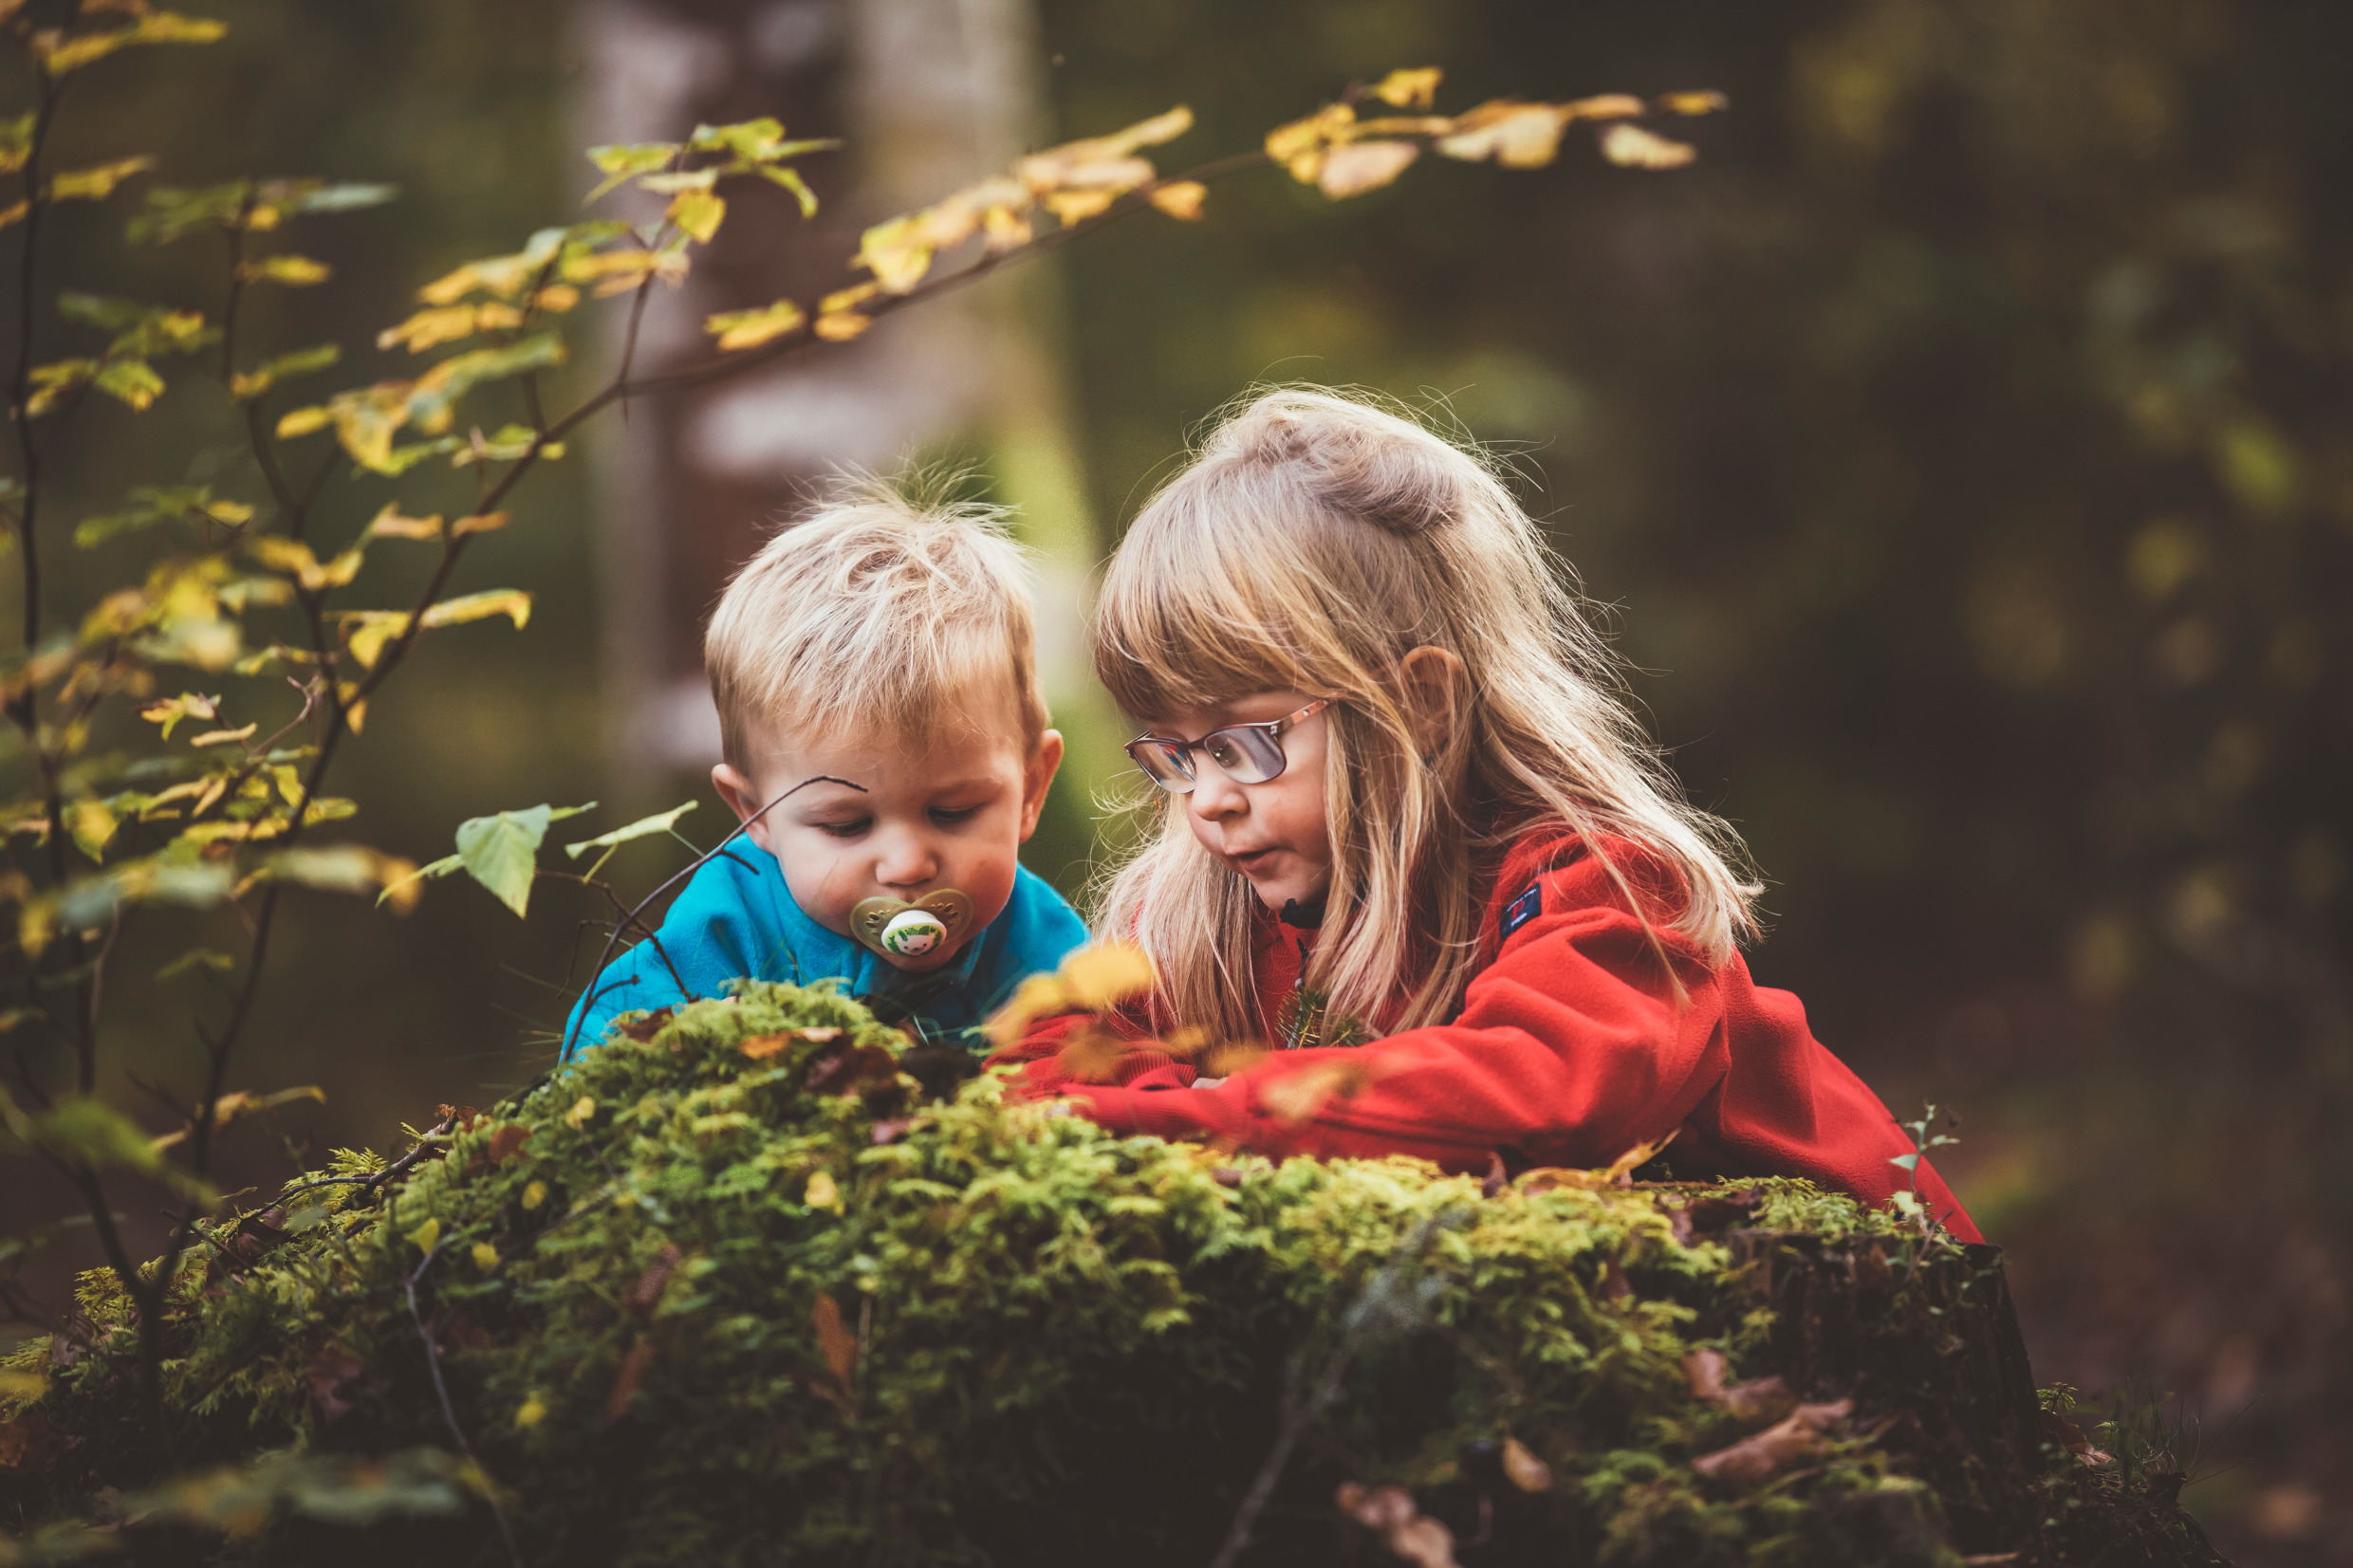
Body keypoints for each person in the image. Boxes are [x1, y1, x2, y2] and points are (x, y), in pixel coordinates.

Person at [992, 389, 1980, 1242]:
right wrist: (1173, 1116)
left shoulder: (1598, 889)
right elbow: (1040, 1070)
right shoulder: (1211, 917)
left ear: (1419, 703)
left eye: (1244, 742)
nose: (1206, 798)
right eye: (1172, 753)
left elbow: (1541, 1090)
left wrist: (1209, 1121)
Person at [563, 485, 1087, 1059]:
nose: (907, 864)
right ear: (752, 813)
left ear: (1032, 787)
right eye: (846, 825)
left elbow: (1100, 1069)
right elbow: (603, 1052)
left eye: (953, 813)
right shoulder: (723, 938)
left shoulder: (1045, 948)